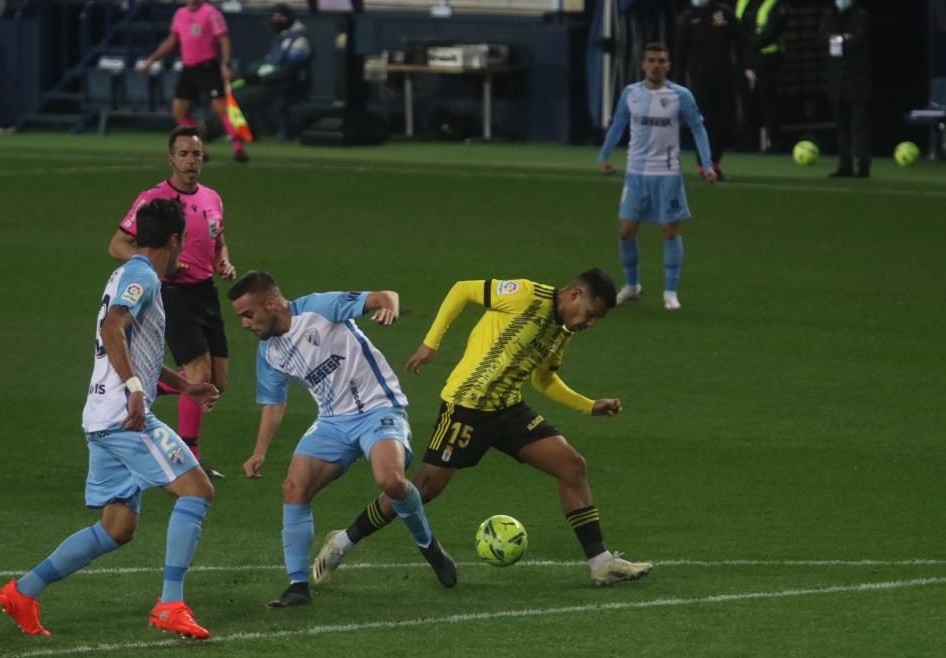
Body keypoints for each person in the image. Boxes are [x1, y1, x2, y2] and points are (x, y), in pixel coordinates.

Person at [311, 269, 653, 589]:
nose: (590, 323)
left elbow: (542, 378)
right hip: (467, 407)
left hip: (508, 409)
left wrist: (589, 405)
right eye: (592, 313)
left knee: (572, 466)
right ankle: (342, 541)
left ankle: (600, 562)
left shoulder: (560, 331)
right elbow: (463, 290)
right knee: (421, 489)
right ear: (576, 293)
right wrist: (432, 343)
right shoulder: (524, 294)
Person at [0, 199, 220, 639]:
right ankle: (170, 605)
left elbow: (131, 345)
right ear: (174, 241)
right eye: (184, 244)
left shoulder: (127, 274)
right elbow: (112, 329)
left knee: (117, 528)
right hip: (125, 416)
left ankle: (23, 591)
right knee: (196, 491)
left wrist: (183, 384)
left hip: (101, 416)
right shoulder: (141, 276)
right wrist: (137, 392)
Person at [227, 271, 456, 608]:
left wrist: (388, 307)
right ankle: (298, 586)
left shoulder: (319, 308)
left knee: (391, 481)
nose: (246, 324)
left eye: (249, 314)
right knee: (294, 487)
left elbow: (385, 292)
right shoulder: (269, 353)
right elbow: (274, 403)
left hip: (379, 409)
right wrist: (259, 451)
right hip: (332, 422)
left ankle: (430, 548)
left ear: (272, 302)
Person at [109, 126, 235, 480]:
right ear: (171, 159)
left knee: (217, 382)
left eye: (196, 154)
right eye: (183, 154)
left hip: (205, 291)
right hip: (172, 291)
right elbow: (117, 244)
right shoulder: (154, 201)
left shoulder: (212, 198)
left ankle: (141, 386)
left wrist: (224, 260)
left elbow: (219, 240)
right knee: (199, 372)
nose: (191, 161)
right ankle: (188, 457)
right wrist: (156, 265)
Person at [598, 42, 716, 311]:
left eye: (661, 61)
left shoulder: (681, 96)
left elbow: (698, 128)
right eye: (651, 60)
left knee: (670, 230)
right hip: (636, 173)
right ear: (643, 64)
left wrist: (707, 164)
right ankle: (632, 286)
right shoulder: (630, 93)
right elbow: (618, 125)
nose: (656, 65)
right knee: (626, 230)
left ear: (668, 65)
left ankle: (671, 291)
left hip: (667, 174)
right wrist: (604, 157)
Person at [140, 0, 249, 162]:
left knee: (221, 108)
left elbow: (223, 38)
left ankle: (238, 148)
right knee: (179, 111)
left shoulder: (211, 12)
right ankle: (200, 149)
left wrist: (226, 64)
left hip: (207, 66)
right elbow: (172, 41)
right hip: (188, 68)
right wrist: (152, 60)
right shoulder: (180, 14)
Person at [208, 3, 312, 141]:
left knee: (235, 99)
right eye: (274, 17)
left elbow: (290, 71)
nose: (276, 20)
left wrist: (262, 79)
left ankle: (211, 130)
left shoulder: (300, 41)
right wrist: (251, 77)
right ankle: (233, 129)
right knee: (227, 90)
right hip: (265, 82)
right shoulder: (280, 38)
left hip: (281, 86)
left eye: (280, 17)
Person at [675, 0, 751, 181]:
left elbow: (741, 42)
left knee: (725, 121)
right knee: (704, 122)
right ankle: (704, 166)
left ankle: (715, 162)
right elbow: (679, 56)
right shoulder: (687, 19)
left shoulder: (724, 13)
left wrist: (746, 67)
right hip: (700, 81)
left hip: (725, 78)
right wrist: (677, 85)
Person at [821, 0, 871, 178]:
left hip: (857, 80)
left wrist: (836, 39)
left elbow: (857, 41)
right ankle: (845, 165)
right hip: (837, 81)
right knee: (842, 127)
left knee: (859, 126)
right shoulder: (830, 14)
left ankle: (863, 165)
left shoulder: (861, 15)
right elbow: (821, 38)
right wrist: (843, 39)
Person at [736, 0, 788, 152]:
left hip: (768, 60)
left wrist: (749, 47)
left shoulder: (776, 4)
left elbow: (771, 32)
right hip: (745, 60)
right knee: (747, 103)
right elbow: (736, 28)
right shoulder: (742, 2)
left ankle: (774, 143)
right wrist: (746, 59)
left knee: (768, 102)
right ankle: (748, 144)